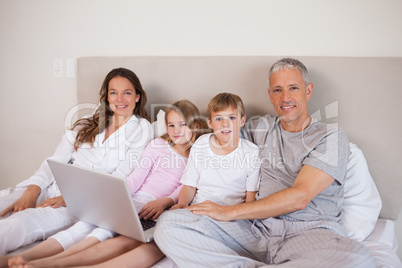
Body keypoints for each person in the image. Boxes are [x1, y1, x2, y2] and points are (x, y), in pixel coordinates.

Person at [154, 58, 376, 267]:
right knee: (169, 225)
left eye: (293, 88)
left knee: (358, 259)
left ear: (308, 91)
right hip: (255, 231)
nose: (285, 98)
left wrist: (229, 212)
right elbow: (218, 132)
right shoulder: (258, 128)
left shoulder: (331, 138)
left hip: (309, 232)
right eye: (278, 90)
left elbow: (300, 197)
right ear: (270, 95)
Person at [7, 100, 208, 268]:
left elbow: (184, 186)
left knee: (101, 234)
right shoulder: (157, 145)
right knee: (85, 226)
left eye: (182, 125)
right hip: (132, 198)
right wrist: (117, 196)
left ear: (195, 127)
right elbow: (136, 177)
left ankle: (53, 264)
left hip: (154, 207)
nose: (175, 131)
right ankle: (30, 258)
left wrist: (164, 202)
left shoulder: (197, 156)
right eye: (171, 125)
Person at [0, 67, 152, 263]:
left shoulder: (141, 128)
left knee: (19, 223)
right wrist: (32, 190)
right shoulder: (89, 122)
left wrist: (69, 198)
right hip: (48, 186)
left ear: (138, 97)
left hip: (79, 204)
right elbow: (55, 160)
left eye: (127, 93)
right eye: (113, 92)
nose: (119, 99)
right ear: (106, 96)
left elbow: (119, 178)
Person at [171, 92, 260, 210]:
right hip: (199, 208)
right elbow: (189, 186)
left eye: (232, 118)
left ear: (242, 120)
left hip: (231, 213)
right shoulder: (201, 144)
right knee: (166, 220)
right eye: (219, 118)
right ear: (210, 123)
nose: (225, 124)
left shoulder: (251, 152)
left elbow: (251, 197)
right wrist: (182, 204)